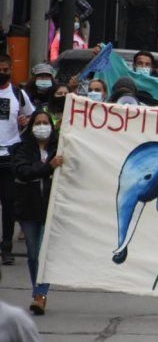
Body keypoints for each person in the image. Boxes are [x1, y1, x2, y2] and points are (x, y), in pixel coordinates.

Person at [12, 110, 61, 315]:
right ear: (32, 127)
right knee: (33, 254)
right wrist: (48, 167)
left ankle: (40, 295)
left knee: (43, 253)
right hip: (28, 210)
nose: (42, 126)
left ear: (52, 125)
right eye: (38, 123)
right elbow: (23, 170)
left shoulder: (60, 147)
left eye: (45, 122)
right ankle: (37, 292)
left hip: (50, 210)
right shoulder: (23, 148)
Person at [0, 54, 33, 265]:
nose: (2, 73)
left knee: (9, 204)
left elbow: (32, 117)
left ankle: (6, 247)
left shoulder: (18, 94)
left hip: (8, 157)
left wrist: (25, 120)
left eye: (5, 69)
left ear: (11, 70)